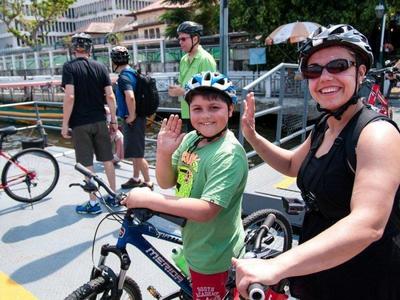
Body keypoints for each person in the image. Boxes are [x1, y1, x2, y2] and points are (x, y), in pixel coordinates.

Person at [233, 24, 400, 299]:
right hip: (321, 270)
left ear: (360, 72)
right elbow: (290, 165)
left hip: (366, 279)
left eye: (337, 65)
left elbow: (368, 223)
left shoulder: (376, 134)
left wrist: (277, 265)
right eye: (313, 70)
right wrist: (252, 136)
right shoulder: (324, 125)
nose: (324, 77)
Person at [122, 71, 248, 299]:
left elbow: (206, 210)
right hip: (194, 240)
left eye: (214, 108)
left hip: (213, 254)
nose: (205, 116)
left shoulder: (228, 155)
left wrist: (149, 199)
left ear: (230, 110)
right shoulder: (192, 139)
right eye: (197, 109)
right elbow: (166, 181)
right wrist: (163, 152)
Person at [61, 32, 117, 214]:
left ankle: (93, 204)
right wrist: (114, 120)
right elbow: (110, 95)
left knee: (87, 163)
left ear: (74, 49)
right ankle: (114, 195)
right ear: (90, 49)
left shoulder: (69, 67)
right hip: (100, 120)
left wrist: (64, 124)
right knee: (108, 158)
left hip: (80, 123)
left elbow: (69, 96)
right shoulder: (101, 67)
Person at [110, 46, 153, 190]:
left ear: (114, 62)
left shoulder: (123, 77)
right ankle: (136, 178)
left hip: (133, 119)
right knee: (135, 151)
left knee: (137, 152)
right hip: (138, 117)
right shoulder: (133, 72)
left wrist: (132, 116)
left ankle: (147, 181)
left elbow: (130, 96)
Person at [168, 21, 217, 132]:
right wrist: (175, 89)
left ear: (195, 39)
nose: (180, 42)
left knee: (201, 147)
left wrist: (182, 92)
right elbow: (183, 83)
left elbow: (209, 92)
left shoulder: (205, 59)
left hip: (203, 116)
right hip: (187, 112)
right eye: (179, 39)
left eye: (184, 39)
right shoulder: (183, 60)